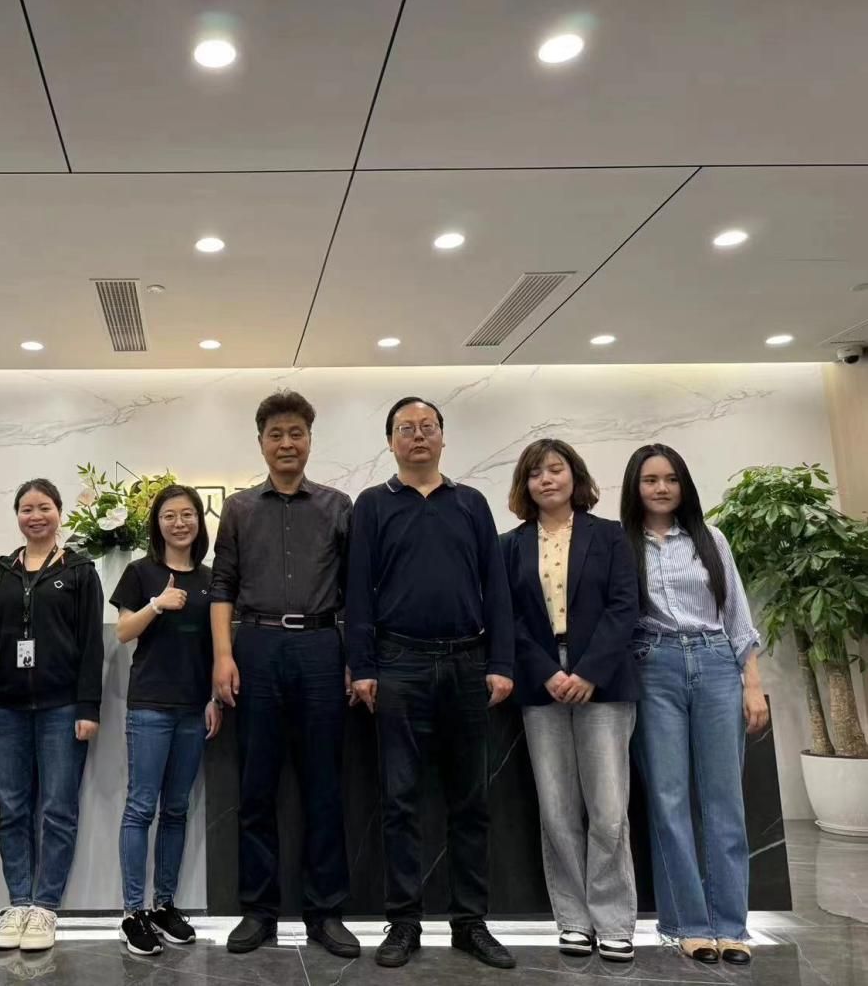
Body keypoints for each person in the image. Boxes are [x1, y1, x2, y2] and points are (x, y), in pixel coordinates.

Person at [346, 397, 516, 970]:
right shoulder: (373, 504)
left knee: (471, 800)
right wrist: (363, 666)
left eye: (427, 427)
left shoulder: (471, 503)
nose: (417, 436)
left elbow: (496, 586)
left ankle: (470, 923)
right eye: (406, 428)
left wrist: (502, 661)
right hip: (398, 664)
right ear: (390, 441)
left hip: (468, 663)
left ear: (443, 436)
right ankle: (404, 921)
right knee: (399, 800)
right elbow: (358, 590)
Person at [211, 390, 359, 958]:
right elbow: (222, 586)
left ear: (310, 441)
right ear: (261, 444)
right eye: (276, 434)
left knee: (324, 785)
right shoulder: (240, 509)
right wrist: (224, 655)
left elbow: (354, 591)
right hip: (257, 646)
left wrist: (353, 656)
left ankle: (326, 912)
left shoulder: (338, 506)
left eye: (296, 433)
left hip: (321, 646)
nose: (287, 443)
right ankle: (259, 911)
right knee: (256, 785)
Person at [621, 444, 769, 966]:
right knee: (668, 799)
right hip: (653, 665)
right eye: (650, 480)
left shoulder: (711, 538)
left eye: (671, 479)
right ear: (635, 488)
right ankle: (687, 924)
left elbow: (738, 615)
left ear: (683, 485)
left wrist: (752, 683)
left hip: (716, 664)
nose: (661, 488)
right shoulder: (622, 543)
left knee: (724, 799)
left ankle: (731, 925)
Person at [498, 439, 640, 962]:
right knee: (557, 810)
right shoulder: (509, 545)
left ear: (574, 476)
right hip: (541, 683)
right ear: (525, 485)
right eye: (535, 473)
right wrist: (548, 672)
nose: (546, 479)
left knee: (608, 810)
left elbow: (624, 607)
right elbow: (507, 618)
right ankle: (575, 921)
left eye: (555, 469)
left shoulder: (610, 536)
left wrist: (588, 672)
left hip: (603, 681)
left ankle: (614, 921)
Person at [0, 479, 105, 953]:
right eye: (26, 508)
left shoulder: (80, 570)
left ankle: (45, 907)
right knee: (12, 809)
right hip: (5, 707)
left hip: (61, 707)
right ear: (17, 516)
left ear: (59, 512)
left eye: (44, 507)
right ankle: (18, 904)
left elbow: (92, 645)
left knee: (57, 810)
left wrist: (88, 707)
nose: (35, 516)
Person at [111, 485, 221, 956]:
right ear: (157, 524)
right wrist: (157, 604)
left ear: (199, 520)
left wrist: (213, 699)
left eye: (188, 514)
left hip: (194, 708)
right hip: (150, 706)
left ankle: (164, 905)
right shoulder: (141, 572)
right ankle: (132, 912)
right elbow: (122, 632)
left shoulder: (212, 579)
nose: (179, 523)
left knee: (176, 809)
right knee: (141, 808)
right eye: (170, 515)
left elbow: (214, 645)